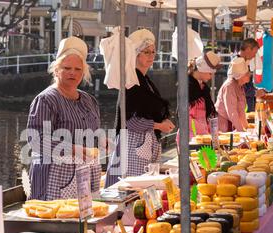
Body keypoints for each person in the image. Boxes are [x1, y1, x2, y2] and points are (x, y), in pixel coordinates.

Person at [26, 36, 102, 200]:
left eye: (78, 69)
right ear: (56, 70)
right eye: (67, 68)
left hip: (85, 175)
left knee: (83, 222)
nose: (72, 73)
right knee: (57, 220)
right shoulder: (46, 100)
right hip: (55, 176)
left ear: (84, 73)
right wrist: (73, 149)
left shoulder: (89, 100)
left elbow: (95, 134)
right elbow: (37, 140)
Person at [105, 29, 175, 187]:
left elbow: (149, 110)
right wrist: (159, 125)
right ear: (136, 54)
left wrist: (162, 120)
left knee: (144, 190)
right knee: (134, 190)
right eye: (146, 52)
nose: (151, 55)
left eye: (153, 52)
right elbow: (129, 121)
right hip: (132, 146)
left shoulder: (144, 80)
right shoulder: (132, 82)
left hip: (145, 144)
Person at [184, 51, 221, 138]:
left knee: (210, 152)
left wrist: (211, 132)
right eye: (210, 73)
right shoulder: (187, 87)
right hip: (190, 138)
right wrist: (205, 131)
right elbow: (185, 117)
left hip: (203, 136)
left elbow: (207, 114)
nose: (211, 76)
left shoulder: (203, 88)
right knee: (208, 152)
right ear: (202, 70)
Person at [216, 57, 251, 132]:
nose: (249, 74)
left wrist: (247, 128)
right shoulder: (229, 86)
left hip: (231, 123)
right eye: (247, 73)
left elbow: (241, 111)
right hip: (223, 124)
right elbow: (232, 112)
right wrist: (241, 131)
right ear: (240, 76)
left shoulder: (239, 85)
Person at [231, 38, 266, 112]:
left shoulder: (245, 62)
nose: (254, 56)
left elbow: (247, 85)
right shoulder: (237, 63)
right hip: (241, 108)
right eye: (254, 52)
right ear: (248, 49)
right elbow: (236, 88)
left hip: (247, 106)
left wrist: (256, 91)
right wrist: (255, 92)